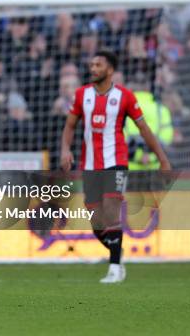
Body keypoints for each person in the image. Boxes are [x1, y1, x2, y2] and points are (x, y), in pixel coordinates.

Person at [60, 50, 171, 284]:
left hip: (115, 161)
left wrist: (162, 158)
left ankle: (114, 268)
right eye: (91, 64)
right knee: (96, 222)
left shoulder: (125, 97)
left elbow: (144, 129)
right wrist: (65, 149)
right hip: (89, 164)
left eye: (98, 65)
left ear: (110, 70)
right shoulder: (82, 95)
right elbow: (70, 126)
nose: (93, 68)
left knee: (111, 210)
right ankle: (117, 252)